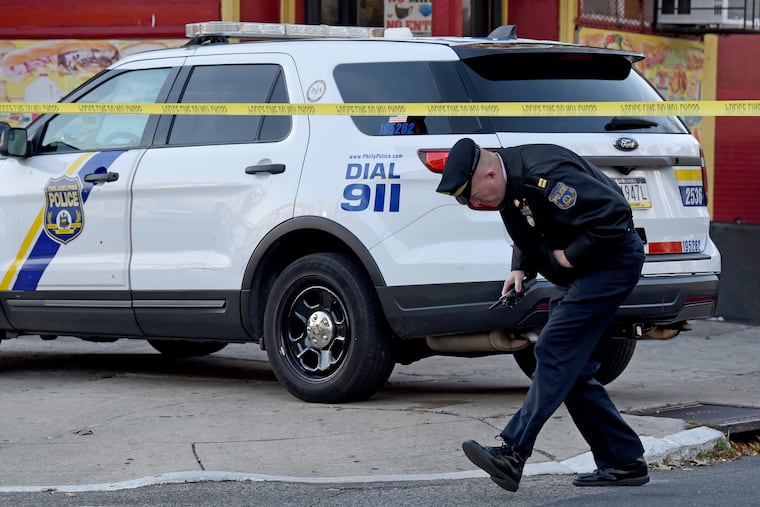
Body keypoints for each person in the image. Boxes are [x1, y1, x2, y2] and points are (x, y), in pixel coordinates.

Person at [436, 138, 649, 492]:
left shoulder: (547, 175)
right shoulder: (506, 183)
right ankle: (624, 462)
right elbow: (523, 219)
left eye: (475, 194)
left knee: (552, 350)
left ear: (490, 173)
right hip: (584, 270)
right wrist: (520, 266)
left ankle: (513, 451)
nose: (475, 203)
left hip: (610, 262)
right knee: (573, 371)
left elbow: (615, 217)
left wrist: (570, 257)